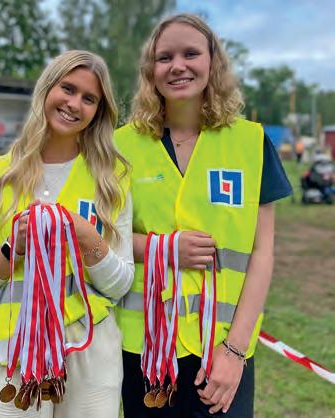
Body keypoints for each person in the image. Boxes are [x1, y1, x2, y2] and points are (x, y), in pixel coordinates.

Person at [114, 14, 292, 418]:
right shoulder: (120, 146)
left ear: (213, 62)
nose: (178, 66)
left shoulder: (251, 142)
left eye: (190, 53)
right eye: (164, 57)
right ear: (150, 71)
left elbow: (262, 252)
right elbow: (99, 239)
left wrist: (235, 351)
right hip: (144, 351)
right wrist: (163, 249)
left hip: (223, 352)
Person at [0, 50, 134, 418]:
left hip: (90, 351)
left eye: (89, 98)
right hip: (12, 351)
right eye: (67, 89)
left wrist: (89, 239)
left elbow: (120, 284)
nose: (74, 104)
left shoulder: (111, 181)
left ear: (98, 111)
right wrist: (14, 247)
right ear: (46, 89)